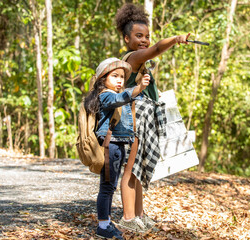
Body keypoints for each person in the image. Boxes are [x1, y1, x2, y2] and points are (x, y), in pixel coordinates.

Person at [115, 3, 190, 233]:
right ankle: (127, 218)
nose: (144, 40)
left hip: (143, 120)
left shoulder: (144, 66)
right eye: (138, 36)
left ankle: (138, 214)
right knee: (130, 167)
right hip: (132, 120)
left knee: (139, 169)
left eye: (147, 36)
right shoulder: (133, 57)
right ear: (126, 39)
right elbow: (156, 48)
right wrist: (176, 39)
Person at [84, 57, 150, 239]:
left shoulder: (115, 92)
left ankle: (106, 221)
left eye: (122, 76)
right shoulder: (106, 95)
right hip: (110, 146)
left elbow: (127, 96)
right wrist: (139, 88)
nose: (120, 80)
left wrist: (140, 88)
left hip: (118, 144)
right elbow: (121, 98)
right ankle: (103, 226)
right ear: (103, 79)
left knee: (110, 186)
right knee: (107, 187)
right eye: (115, 76)